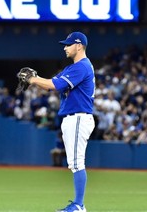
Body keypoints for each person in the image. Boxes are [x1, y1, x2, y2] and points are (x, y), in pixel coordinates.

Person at [27, 32, 95, 212]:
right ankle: (78, 204)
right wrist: (37, 80)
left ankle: (79, 205)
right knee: (74, 162)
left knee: (77, 162)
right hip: (74, 118)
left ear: (79, 45)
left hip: (79, 117)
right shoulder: (73, 68)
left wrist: (32, 79)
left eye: (68, 44)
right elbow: (52, 84)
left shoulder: (81, 66)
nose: (65, 47)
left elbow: (53, 85)